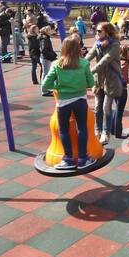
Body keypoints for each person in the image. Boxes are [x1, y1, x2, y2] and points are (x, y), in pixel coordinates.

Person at [41, 33, 94, 170]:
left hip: (63, 102)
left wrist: (58, 87)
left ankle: (69, 159)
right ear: (78, 48)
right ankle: (83, 158)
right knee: (82, 129)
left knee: (63, 130)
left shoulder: (57, 64)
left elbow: (46, 84)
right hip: (80, 100)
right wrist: (81, 86)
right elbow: (91, 82)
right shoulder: (84, 63)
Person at [87, 22, 125, 144]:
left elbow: (105, 60)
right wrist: (80, 64)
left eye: (99, 31)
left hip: (111, 79)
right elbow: (89, 55)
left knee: (106, 108)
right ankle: (97, 130)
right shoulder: (97, 43)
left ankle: (106, 133)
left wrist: (90, 71)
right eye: (96, 30)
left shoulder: (115, 45)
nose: (96, 33)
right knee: (97, 107)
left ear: (107, 32)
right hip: (100, 80)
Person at [39, 26, 58, 95]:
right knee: (45, 74)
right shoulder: (45, 39)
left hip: (46, 58)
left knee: (45, 74)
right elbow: (44, 50)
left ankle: (45, 89)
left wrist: (53, 55)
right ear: (47, 31)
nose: (51, 31)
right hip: (46, 58)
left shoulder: (45, 38)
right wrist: (52, 56)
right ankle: (44, 90)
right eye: (50, 30)